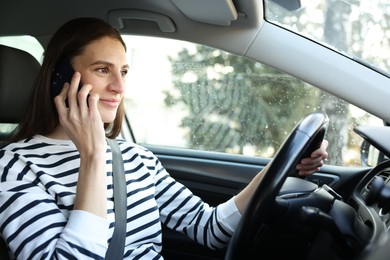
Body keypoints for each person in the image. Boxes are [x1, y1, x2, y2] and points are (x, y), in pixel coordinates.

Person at [0, 17, 328, 259]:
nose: (119, 86)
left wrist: (279, 167)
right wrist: (93, 157)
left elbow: (210, 229)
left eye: (124, 72)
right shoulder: (15, 166)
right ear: (60, 79)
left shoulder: (136, 158)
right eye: (103, 70)